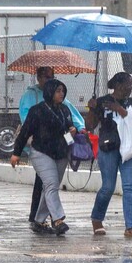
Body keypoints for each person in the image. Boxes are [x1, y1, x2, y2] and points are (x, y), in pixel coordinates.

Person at [18, 66, 85, 234]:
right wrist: (16, 153)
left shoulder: (64, 108)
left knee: (49, 187)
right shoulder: (34, 104)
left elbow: (71, 125)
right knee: (51, 184)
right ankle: (58, 219)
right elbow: (26, 128)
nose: (61, 94)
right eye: (57, 91)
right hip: (41, 151)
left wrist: (73, 134)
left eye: (62, 91)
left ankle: (38, 220)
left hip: (60, 152)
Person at [86, 72, 132, 238]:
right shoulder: (102, 102)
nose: (130, 88)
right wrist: (92, 108)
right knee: (108, 187)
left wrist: (119, 109)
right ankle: (97, 219)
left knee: (129, 187)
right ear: (118, 85)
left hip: (129, 148)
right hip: (108, 148)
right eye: (128, 84)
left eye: (131, 85)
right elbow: (90, 125)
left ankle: (131, 226)